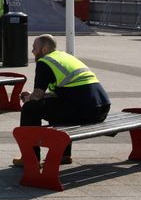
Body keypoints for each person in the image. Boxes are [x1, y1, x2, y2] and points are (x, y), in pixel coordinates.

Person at [13, 35, 111, 166]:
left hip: (83, 111)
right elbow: (62, 93)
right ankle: (63, 155)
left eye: (34, 48)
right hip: (101, 110)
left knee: (29, 109)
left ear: (45, 49)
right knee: (57, 107)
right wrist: (34, 96)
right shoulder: (64, 57)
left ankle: (30, 158)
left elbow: (37, 97)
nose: (32, 52)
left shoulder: (45, 62)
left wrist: (27, 98)